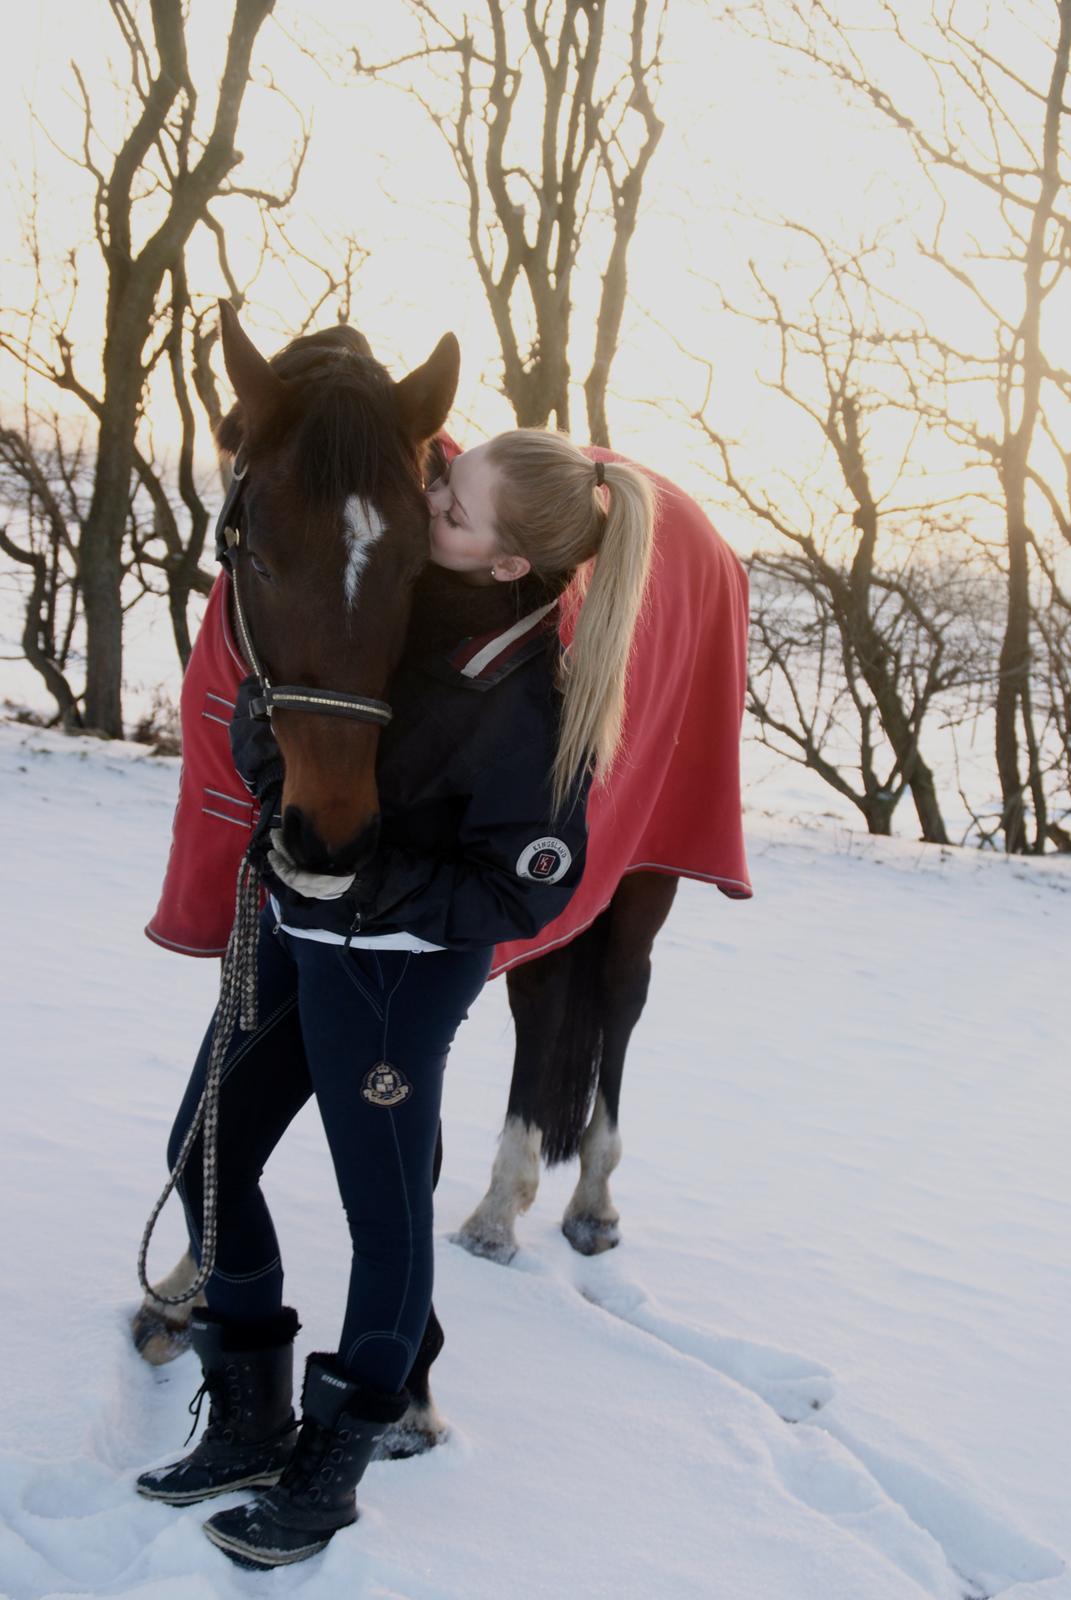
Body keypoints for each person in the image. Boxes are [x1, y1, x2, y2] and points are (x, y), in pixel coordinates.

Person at [135, 428, 656, 1570]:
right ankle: (248, 1413)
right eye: (439, 485)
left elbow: (520, 893)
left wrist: (358, 881)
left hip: (398, 979)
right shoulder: (395, 604)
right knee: (204, 1153)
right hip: (298, 935)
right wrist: (286, 804)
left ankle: (333, 1461)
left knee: (382, 1215)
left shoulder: (534, 708)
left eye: (455, 507)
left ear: (509, 562)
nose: (429, 508)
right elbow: (278, 715)